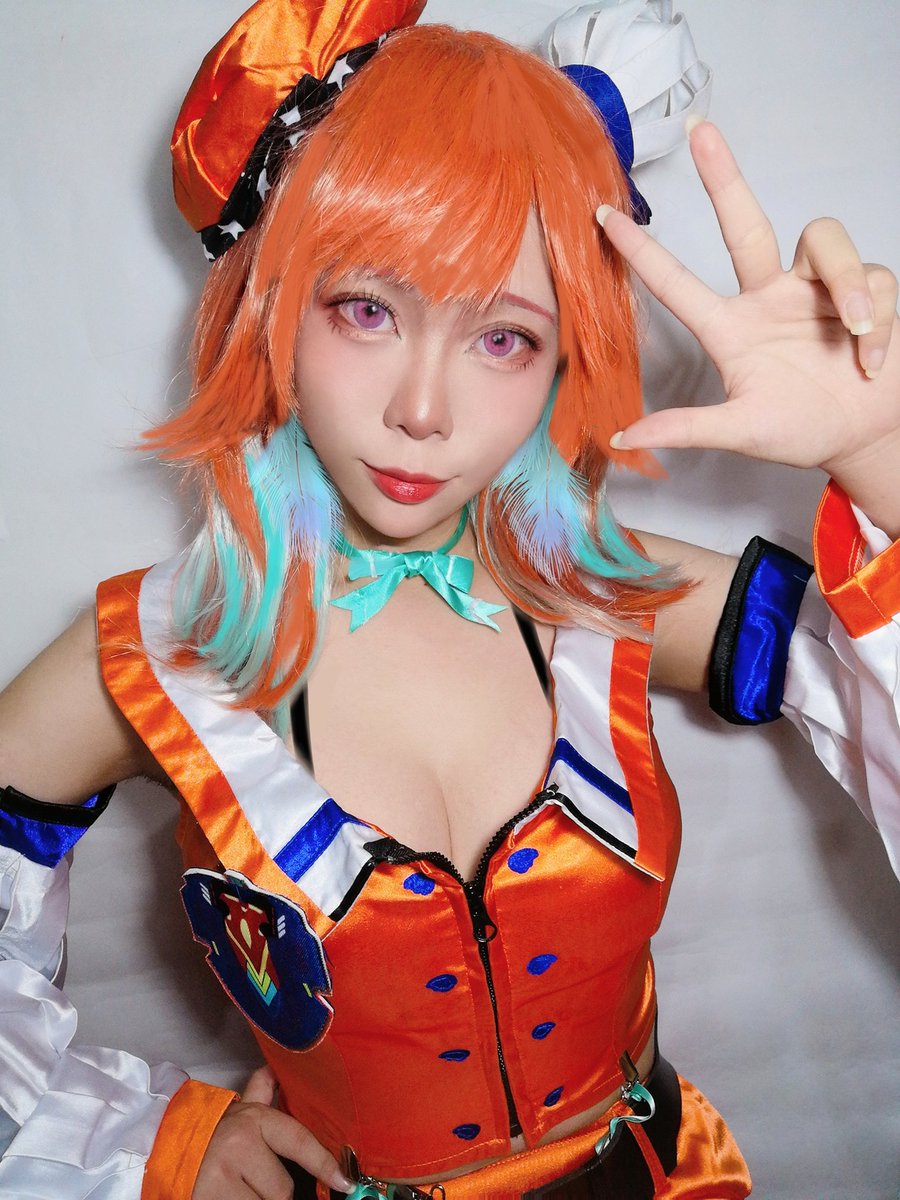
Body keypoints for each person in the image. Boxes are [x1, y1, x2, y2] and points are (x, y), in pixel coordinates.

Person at [0, 1, 897, 1197]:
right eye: (365, 310)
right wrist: (149, 1142)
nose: (422, 411)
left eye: (504, 339)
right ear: (273, 304)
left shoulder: (609, 593)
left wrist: (880, 462)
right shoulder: (152, 653)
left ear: (567, 355)